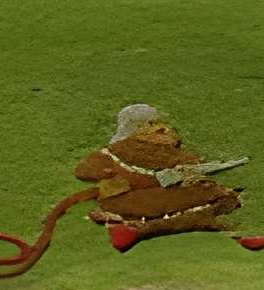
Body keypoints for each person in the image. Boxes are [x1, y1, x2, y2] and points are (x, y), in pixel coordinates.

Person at [75, 103, 244, 251]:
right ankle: (143, 227)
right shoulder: (135, 146)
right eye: (151, 122)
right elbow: (85, 171)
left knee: (206, 192)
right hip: (138, 199)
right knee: (212, 193)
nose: (157, 126)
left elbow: (84, 171)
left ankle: (131, 223)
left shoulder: (118, 148)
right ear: (142, 125)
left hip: (124, 199)